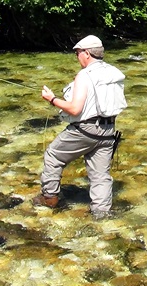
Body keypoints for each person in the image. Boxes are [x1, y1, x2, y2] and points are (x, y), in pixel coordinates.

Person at [35, 35, 126, 219]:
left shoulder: (84, 75)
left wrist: (52, 99)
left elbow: (75, 109)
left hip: (85, 130)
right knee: (100, 175)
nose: (77, 57)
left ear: (86, 53)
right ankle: (101, 214)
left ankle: (50, 198)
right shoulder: (114, 72)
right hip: (108, 131)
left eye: (77, 53)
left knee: (53, 155)